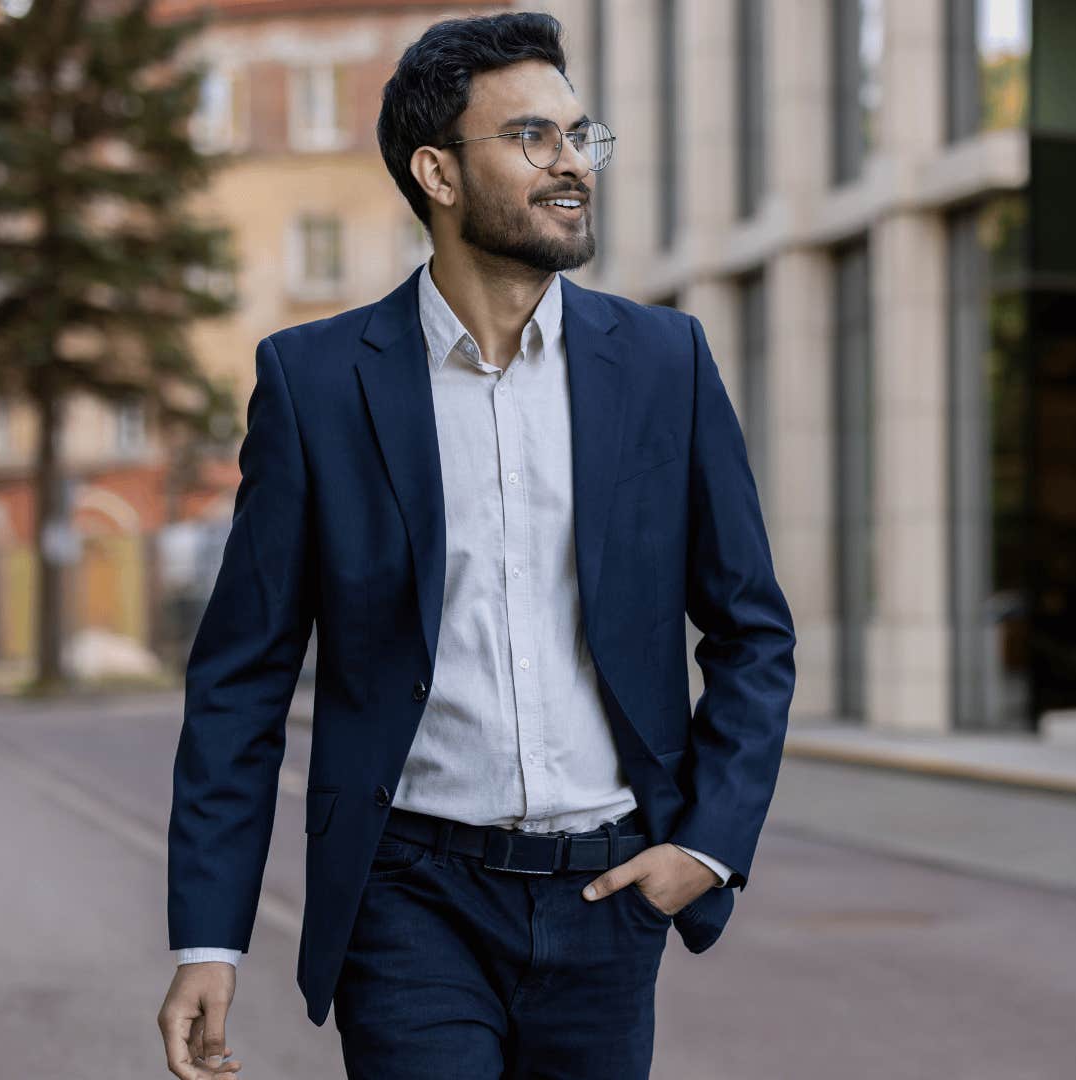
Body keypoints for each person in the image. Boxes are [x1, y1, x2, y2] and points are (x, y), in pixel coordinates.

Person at [155, 12, 796, 1078]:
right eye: (534, 138)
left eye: (581, 137)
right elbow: (242, 676)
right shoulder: (316, 384)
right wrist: (208, 939)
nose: (572, 166)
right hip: (410, 894)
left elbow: (752, 630)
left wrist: (706, 846)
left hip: (608, 897)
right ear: (437, 173)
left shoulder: (663, 362)